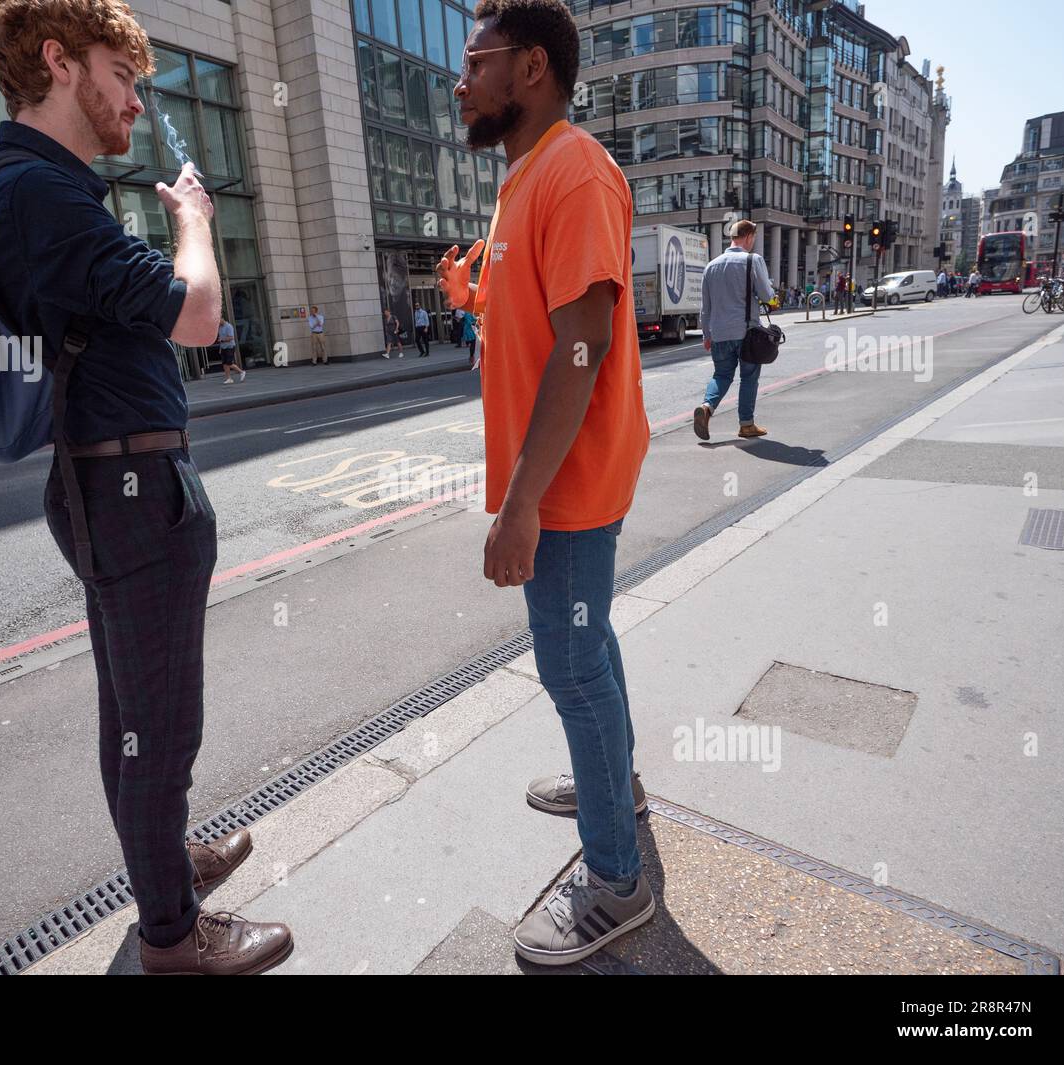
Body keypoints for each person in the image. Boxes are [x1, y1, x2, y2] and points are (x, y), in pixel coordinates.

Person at [0, 0, 289, 975]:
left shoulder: (38, 188)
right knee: (158, 729)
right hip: (126, 488)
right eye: (123, 75)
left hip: (111, 483)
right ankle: (172, 935)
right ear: (61, 62)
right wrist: (193, 221)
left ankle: (165, 871)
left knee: (133, 719)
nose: (133, 101)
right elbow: (195, 314)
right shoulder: (39, 192)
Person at [438, 0, 653, 966]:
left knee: (570, 670)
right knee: (590, 653)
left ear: (530, 68)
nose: (460, 77)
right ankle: (615, 785)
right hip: (559, 474)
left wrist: (520, 503)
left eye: (474, 60)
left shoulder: (573, 169)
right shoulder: (527, 176)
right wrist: (473, 295)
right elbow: (536, 312)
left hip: (564, 482)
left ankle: (615, 879)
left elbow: (581, 344)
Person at [693, 218, 776, 441]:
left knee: (721, 375)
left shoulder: (711, 266)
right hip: (746, 333)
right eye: (753, 239)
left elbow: (705, 307)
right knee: (749, 377)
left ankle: (707, 407)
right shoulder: (753, 260)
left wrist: (706, 335)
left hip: (719, 333)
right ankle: (746, 425)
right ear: (748, 237)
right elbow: (768, 296)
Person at [216, 314, 244, 383]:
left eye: (219, 320)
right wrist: (220, 348)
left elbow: (231, 338)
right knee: (224, 364)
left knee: (229, 363)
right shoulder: (219, 327)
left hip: (230, 347)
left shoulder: (229, 326)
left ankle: (241, 372)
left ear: (222, 319)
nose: (218, 322)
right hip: (223, 347)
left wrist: (222, 340)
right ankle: (229, 378)